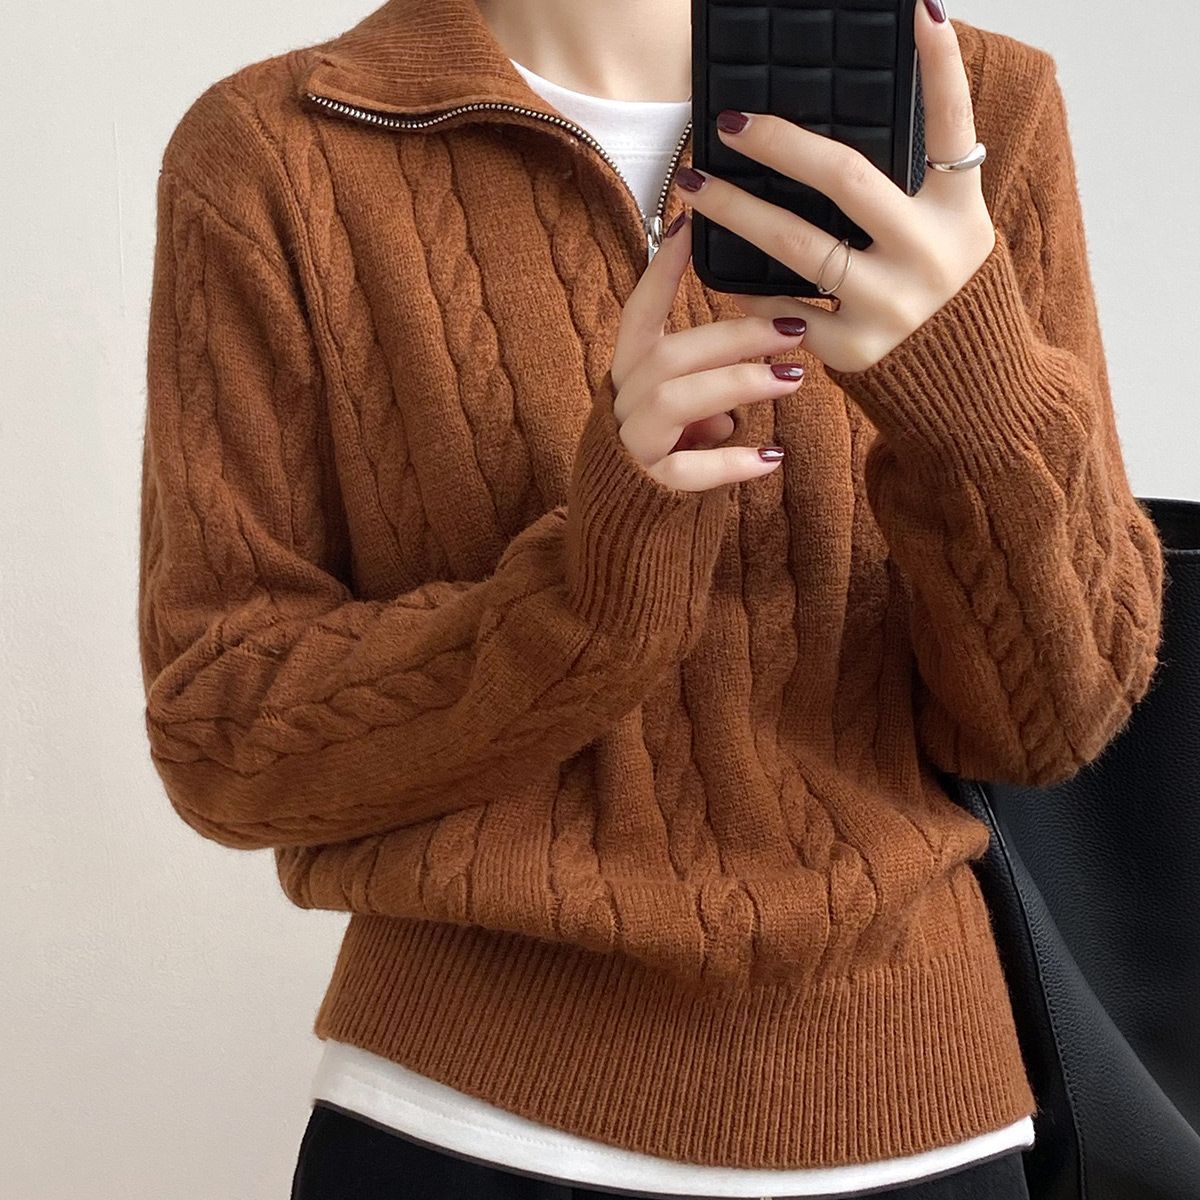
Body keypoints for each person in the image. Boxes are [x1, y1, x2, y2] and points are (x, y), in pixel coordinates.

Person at [137, 0, 1165, 1197]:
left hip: (921, 1115)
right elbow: (223, 737)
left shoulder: (973, 108)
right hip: (459, 1122)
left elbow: (1059, 719)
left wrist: (967, 395)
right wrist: (593, 589)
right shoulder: (277, 145)